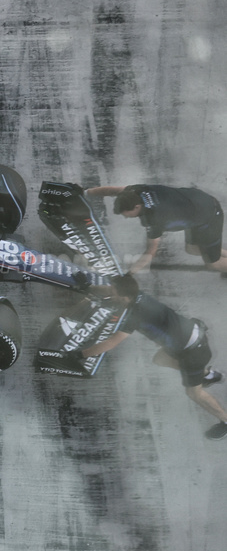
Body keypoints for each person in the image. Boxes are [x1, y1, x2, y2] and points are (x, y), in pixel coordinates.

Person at [74, 273, 227, 439]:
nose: (110, 291)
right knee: (160, 359)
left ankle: (225, 421)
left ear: (125, 297)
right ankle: (208, 375)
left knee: (194, 393)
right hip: (191, 337)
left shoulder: (134, 316)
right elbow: (110, 292)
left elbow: (111, 342)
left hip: (193, 352)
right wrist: (88, 287)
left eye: (114, 291)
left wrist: (80, 354)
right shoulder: (138, 295)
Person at [85, 183, 226, 273]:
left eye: (128, 215)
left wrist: (128, 275)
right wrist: (86, 192)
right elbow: (113, 190)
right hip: (197, 203)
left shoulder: (155, 219)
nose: (126, 218)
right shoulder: (136, 191)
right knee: (192, 249)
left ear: (137, 207)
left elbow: (150, 252)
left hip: (209, 216)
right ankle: (216, 251)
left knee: (212, 264)